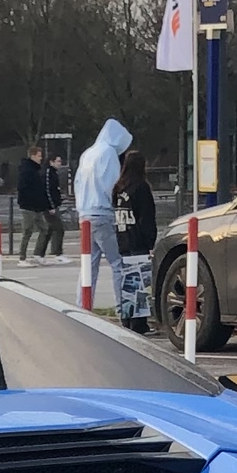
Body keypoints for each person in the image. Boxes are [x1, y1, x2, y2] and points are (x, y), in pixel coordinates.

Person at [72, 118, 132, 313]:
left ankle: (82, 307)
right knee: (118, 263)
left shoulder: (88, 153)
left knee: (89, 264)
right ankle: (123, 307)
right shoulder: (108, 154)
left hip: (85, 214)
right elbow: (112, 185)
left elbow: (78, 183)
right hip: (103, 213)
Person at [113, 142, 159, 329]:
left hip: (123, 238)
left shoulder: (118, 188)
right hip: (138, 239)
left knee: (128, 281)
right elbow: (147, 216)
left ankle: (127, 318)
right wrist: (150, 240)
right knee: (141, 282)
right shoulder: (141, 187)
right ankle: (139, 323)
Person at [14, 141, 53, 262]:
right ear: (33, 156)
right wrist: (28, 201)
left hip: (36, 206)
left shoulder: (35, 170)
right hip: (28, 206)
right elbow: (23, 188)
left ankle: (37, 254)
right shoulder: (27, 170)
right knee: (27, 231)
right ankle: (22, 258)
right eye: (39, 156)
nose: (41, 159)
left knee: (44, 229)